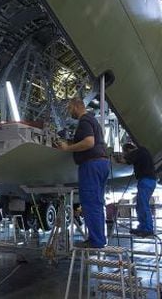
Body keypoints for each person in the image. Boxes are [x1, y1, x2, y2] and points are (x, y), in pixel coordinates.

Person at [57, 98, 110, 248]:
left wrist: (67, 148)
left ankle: (96, 241)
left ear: (75, 106)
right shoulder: (92, 120)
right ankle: (99, 238)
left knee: (90, 203)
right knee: (97, 203)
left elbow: (89, 142)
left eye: (69, 108)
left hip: (91, 165)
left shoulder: (85, 120)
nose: (69, 111)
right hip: (101, 164)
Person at [121, 143, 157, 237]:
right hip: (148, 180)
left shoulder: (138, 152)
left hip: (146, 181)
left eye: (125, 152)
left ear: (128, 150)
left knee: (143, 205)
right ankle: (142, 227)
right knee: (140, 204)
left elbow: (125, 161)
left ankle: (148, 228)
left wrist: (115, 159)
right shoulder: (142, 151)